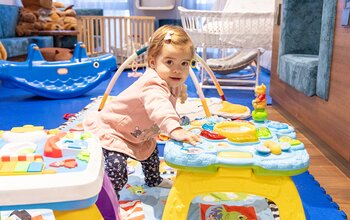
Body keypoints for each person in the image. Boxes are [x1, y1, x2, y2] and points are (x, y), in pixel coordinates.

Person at [83, 25, 201, 197]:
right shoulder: (152, 84)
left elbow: (173, 89)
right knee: (117, 168)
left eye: (184, 63)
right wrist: (174, 129)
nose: (177, 69)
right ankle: (106, 197)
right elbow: (159, 105)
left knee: (150, 151)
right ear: (153, 62)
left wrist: (181, 90)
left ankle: (153, 179)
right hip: (115, 131)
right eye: (169, 62)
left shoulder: (170, 79)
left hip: (139, 133)